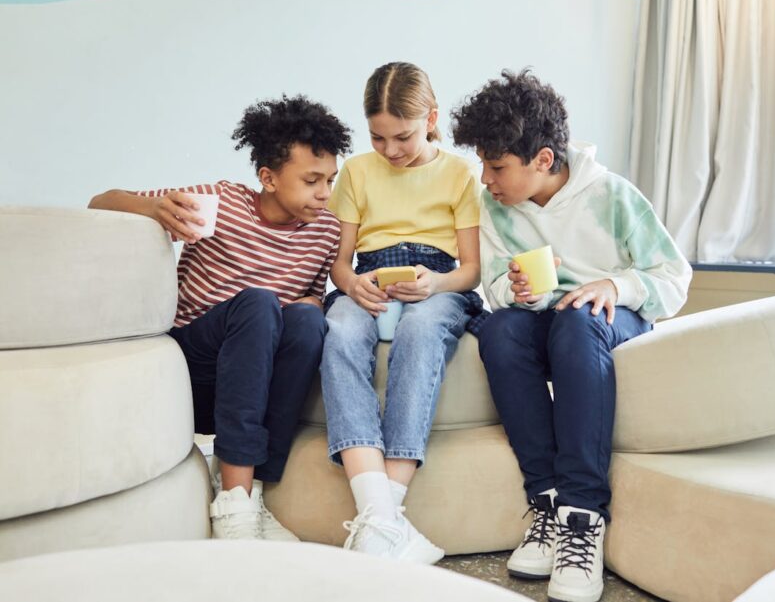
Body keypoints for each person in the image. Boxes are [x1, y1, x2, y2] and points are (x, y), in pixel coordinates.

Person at [451, 69, 691, 602]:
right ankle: (546, 500)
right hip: (548, 318)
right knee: (501, 329)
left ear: (542, 160)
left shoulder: (613, 196)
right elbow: (496, 286)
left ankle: (582, 516)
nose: (486, 179)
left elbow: (675, 279)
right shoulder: (494, 206)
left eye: (496, 167)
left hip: (608, 323)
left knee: (578, 320)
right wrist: (519, 291)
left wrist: (615, 284)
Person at [89, 95, 352, 541]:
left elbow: (309, 297)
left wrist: (315, 303)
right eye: (311, 180)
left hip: (253, 387)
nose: (324, 194)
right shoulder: (222, 203)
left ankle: (249, 495)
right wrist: (155, 210)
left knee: (309, 323)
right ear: (268, 177)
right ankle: (234, 503)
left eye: (330, 179)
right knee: (257, 303)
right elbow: (99, 202)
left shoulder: (327, 230)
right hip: (193, 374)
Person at [321, 62, 485, 564]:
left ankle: (381, 517)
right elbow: (340, 262)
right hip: (368, 279)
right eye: (378, 137)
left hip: (436, 283)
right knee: (342, 330)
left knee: (421, 330)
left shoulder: (460, 174)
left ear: (432, 118)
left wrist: (436, 282)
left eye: (404, 136)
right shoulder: (355, 171)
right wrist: (351, 284)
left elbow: (471, 270)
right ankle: (384, 521)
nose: (390, 150)